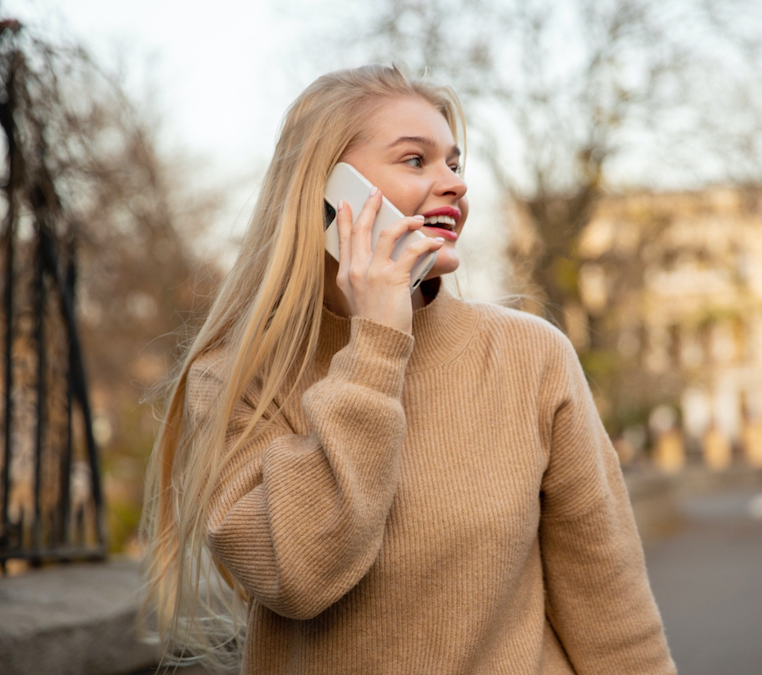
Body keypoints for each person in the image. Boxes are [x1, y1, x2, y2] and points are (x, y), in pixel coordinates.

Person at [140, 64, 676, 675]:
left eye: (453, 163)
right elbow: (298, 574)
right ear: (327, 190)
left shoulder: (533, 357)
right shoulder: (235, 381)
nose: (453, 184)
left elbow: (612, 609)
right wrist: (376, 345)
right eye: (415, 161)